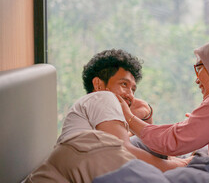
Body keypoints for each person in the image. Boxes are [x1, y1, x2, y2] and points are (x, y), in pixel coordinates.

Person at [24, 49, 190, 183]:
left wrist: (144, 114)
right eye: (124, 84)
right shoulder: (102, 97)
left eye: (133, 89)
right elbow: (124, 153)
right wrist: (179, 165)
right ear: (98, 84)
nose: (130, 95)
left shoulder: (97, 114)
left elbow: (147, 144)